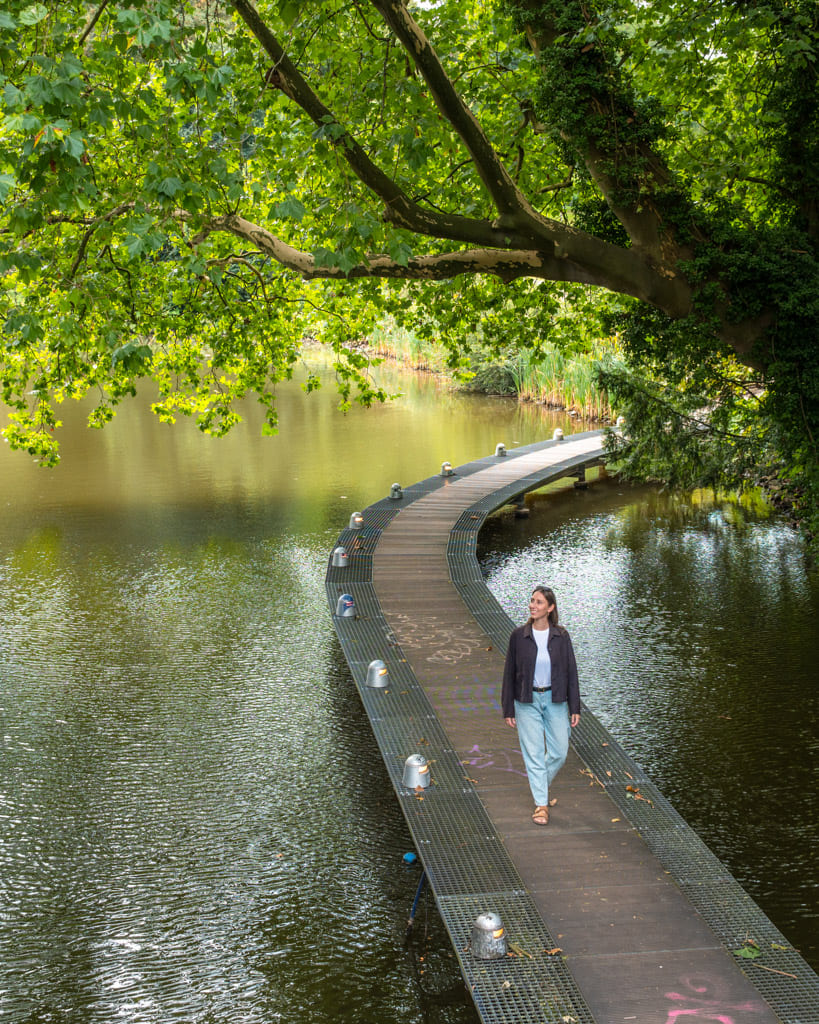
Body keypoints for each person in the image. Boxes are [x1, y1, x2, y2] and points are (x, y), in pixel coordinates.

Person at [501, 586, 581, 826]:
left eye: (538, 602)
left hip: (556, 700)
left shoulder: (561, 636)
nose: (532, 606)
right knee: (534, 754)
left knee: (559, 751)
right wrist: (508, 708)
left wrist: (574, 707)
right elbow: (508, 674)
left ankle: (539, 786)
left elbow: (571, 673)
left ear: (550, 607)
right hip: (526, 701)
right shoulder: (519, 636)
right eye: (532, 601)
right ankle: (541, 806)